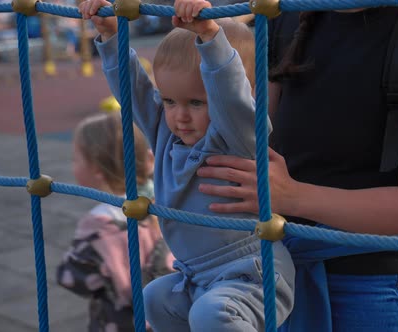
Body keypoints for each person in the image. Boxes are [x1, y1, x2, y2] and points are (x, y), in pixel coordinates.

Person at [78, 0, 295, 331]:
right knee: (155, 297)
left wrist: (210, 36)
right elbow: (134, 91)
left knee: (213, 315)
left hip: (251, 271)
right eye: (169, 101)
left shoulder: (236, 136)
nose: (179, 116)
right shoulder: (166, 133)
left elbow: (231, 97)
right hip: (195, 276)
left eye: (196, 102)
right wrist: (110, 37)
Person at [195, 7, 398, 332]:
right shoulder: (288, 15)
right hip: (277, 266)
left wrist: (295, 197)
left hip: (368, 279)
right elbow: (251, 134)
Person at [57, 112, 174, 332]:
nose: (72, 164)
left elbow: (71, 277)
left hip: (120, 322)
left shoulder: (98, 225)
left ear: (97, 170)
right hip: (165, 319)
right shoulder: (162, 206)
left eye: (76, 158)